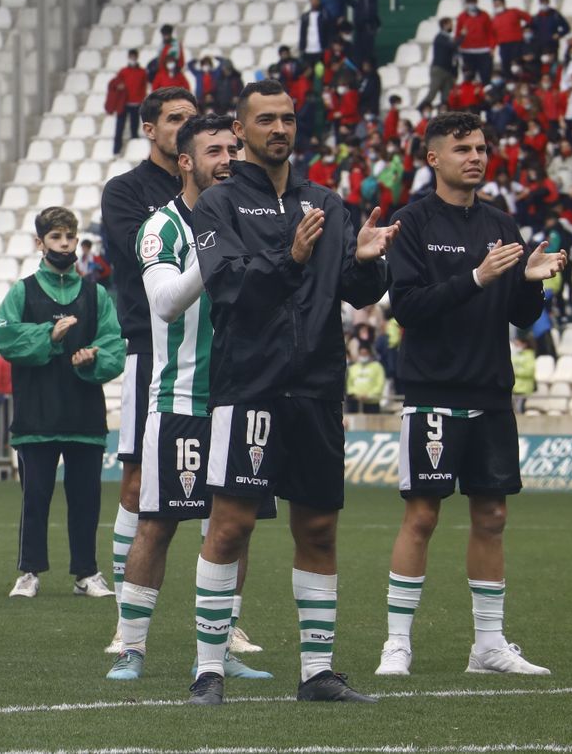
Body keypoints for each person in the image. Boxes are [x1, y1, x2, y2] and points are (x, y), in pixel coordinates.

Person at [188, 79, 393, 706]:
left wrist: (364, 262)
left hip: (316, 386)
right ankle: (209, 670)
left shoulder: (327, 203)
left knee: (319, 528)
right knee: (230, 526)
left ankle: (317, 673)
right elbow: (230, 288)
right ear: (243, 131)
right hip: (248, 383)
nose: (280, 129)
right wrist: (294, 260)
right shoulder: (217, 207)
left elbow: (357, 295)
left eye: (288, 119)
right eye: (267, 120)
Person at [376, 112, 564, 679]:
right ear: (433, 158)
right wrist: (476, 279)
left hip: (490, 391)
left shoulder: (502, 224)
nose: (476, 157)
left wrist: (529, 283)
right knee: (422, 516)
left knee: (493, 514)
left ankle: (487, 646)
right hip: (432, 391)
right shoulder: (411, 223)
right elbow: (406, 307)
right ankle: (397, 644)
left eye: (481, 148)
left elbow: (519, 317)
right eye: (463, 148)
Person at [103, 114, 271, 683]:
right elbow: (166, 304)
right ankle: (130, 648)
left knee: (236, 526)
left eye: (233, 149)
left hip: (246, 396)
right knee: (158, 524)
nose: (228, 159)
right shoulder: (161, 227)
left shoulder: (254, 214)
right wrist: (216, 251)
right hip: (181, 399)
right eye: (214, 151)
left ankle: (220, 650)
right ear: (185, 162)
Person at [98, 86, 196, 651]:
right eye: (174, 119)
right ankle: (125, 619)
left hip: (216, 351)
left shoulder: (221, 184)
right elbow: (141, 254)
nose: (184, 127)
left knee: (227, 492)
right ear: (149, 128)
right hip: (151, 348)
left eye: (191, 119)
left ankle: (226, 624)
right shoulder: (127, 191)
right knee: (136, 482)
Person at [0, 207, 125, 603]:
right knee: (35, 497)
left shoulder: (96, 293)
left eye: (69, 237)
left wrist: (94, 358)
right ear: (40, 243)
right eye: (55, 238)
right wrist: (48, 336)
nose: (64, 244)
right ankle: (29, 572)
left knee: (86, 500)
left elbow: (114, 346)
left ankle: (86, 573)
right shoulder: (22, 291)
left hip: (84, 415)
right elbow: (6, 338)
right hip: (36, 415)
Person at [111, 51, 150, 156]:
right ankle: (116, 151)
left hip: (136, 103)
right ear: (128, 57)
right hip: (123, 103)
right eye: (131, 57)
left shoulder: (142, 72)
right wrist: (119, 86)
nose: (132, 59)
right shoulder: (123, 71)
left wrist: (142, 100)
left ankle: (134, 151)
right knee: (119, 127)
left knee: (134, 128)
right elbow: (116, 83)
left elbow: (144, 87)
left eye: (134, 57)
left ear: (137, 57)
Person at [455, 0, 494, 87]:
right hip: (467, 51)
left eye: (473, 2)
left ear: (477, 2)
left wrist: (492, 47)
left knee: (486, 77)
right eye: (469, 2)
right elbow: (457, 34)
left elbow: (490, 32)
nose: (471, 4)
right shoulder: (461, 17)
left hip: (484, 51)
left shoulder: (485, 15)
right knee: (469, 78)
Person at [492, 0, 531, 71]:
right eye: (495, 5)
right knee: (506, 66)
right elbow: (493, 35)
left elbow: (528, 18)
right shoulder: (494, 19)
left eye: (499, 4)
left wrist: (526, 28)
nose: (497, 6)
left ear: (503, 4)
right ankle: (509, 80)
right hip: (503, 46)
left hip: (517, 43)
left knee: (519, 64)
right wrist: (492, 48)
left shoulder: (513, 12)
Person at [345, 343, 385, 413]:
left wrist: (369, 395)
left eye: (365, 353)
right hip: (355, 403)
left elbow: (380, 384)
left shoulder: (377, 367)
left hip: (372, 403)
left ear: (370, 354)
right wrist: (356, 394)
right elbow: (349, 384)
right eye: (361, 354)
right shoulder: (353, 368)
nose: (363, 356)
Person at [510, 335, 536, 413]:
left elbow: (529, 371)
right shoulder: (516, 355)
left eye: (518, 344)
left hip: (524, 388)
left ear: (524, 344)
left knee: (520, 409)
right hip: (514, 388)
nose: (517, 346)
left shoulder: (529, 355)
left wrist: (516, 372)